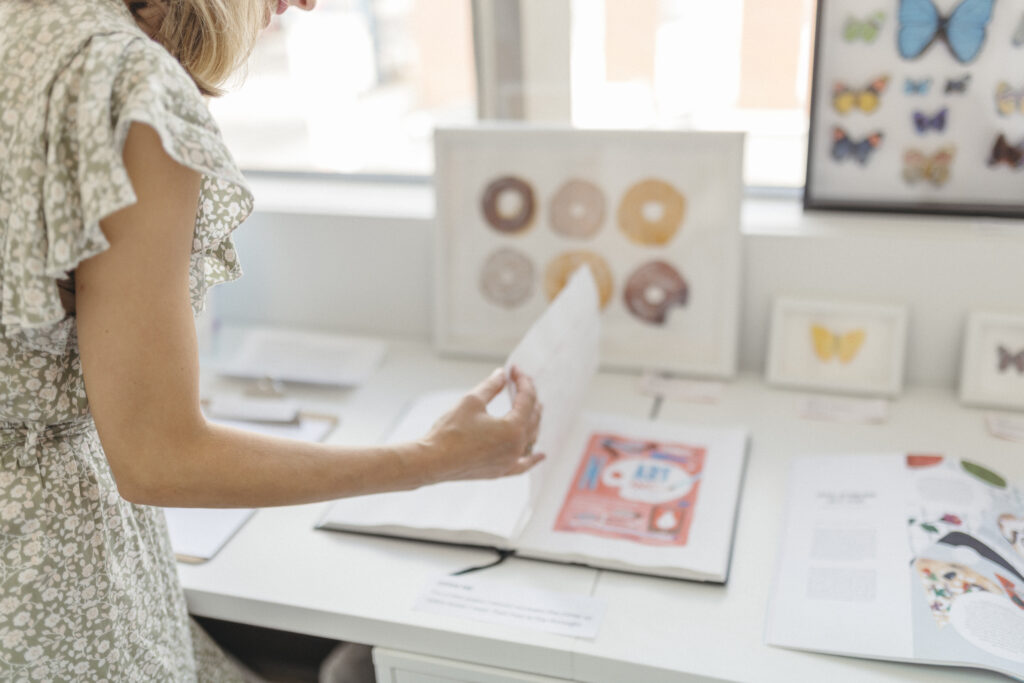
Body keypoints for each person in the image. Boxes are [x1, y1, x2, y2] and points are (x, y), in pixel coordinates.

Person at [0, 0, 544, 679]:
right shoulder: (127, 85)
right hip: (46, 581)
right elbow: (157, 457)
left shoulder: (24, 29)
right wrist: (432, 458)